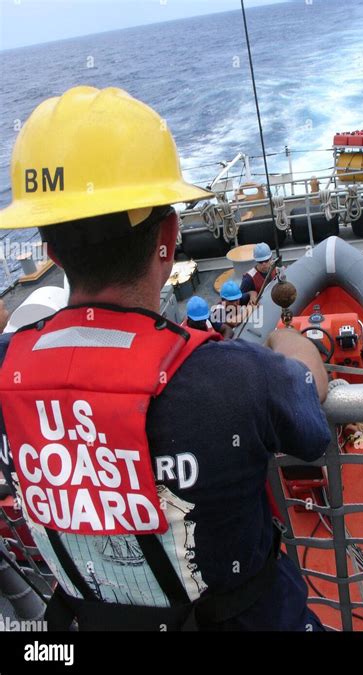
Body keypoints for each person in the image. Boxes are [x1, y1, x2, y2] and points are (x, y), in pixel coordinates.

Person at [0, 86, 330, 631]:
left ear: (51, 251)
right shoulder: (238, 377)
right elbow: (308, 415)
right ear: (170, 238)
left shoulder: (7, 367)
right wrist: (294, 345)